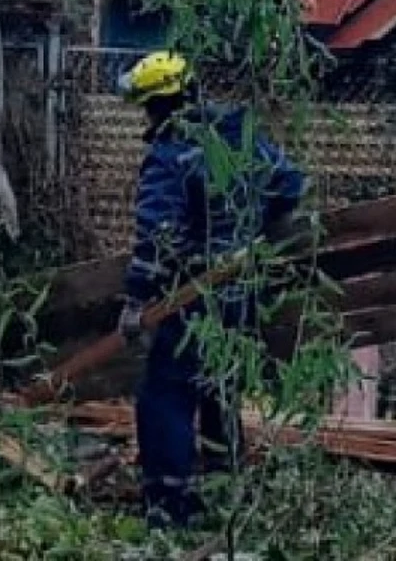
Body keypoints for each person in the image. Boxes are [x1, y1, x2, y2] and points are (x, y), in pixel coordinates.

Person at [114, 51, 307, 529]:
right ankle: (228, 488)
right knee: (220, 387)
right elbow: (289, 185)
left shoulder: (170, 156)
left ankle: (170, 503)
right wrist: (249, 229)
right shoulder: (241, 135)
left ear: (159, 106)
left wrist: (137, 302)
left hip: (193, 298)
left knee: (166, 394)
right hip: (242, 294)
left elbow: (156, 239)